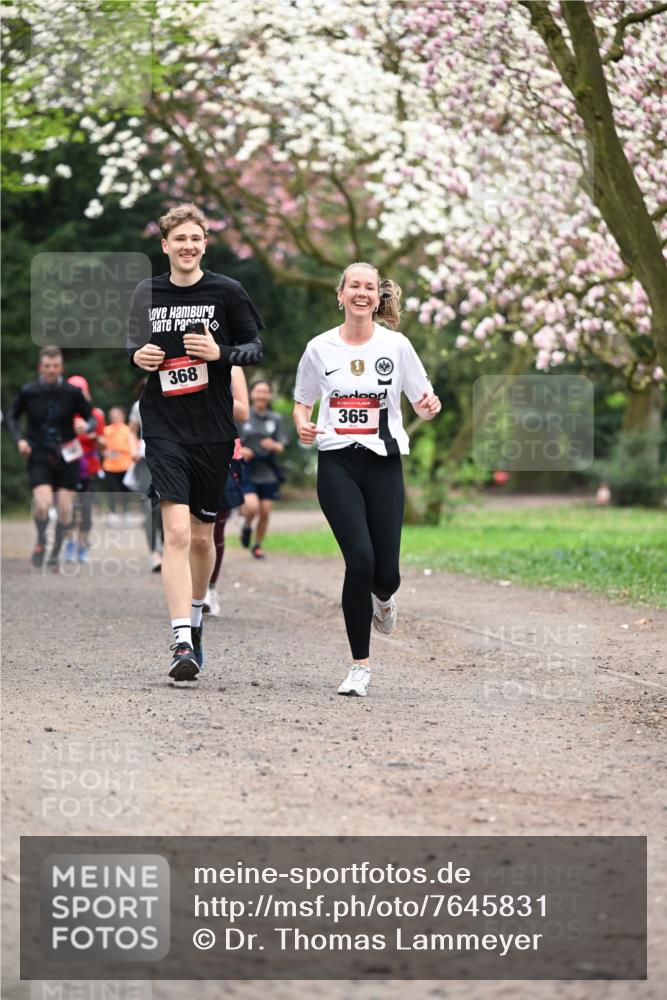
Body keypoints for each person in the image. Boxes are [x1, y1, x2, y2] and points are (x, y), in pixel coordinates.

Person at [127, 202, 263, 685]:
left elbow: (255, 348)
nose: (187, 246)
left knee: (204, 538)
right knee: (177, 536)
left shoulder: (227, 292)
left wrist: (220, 353)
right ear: (164, 246)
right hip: (163, 426)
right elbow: (133, 346)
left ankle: (198, 616)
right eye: (178, 239)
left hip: (213, 430)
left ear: (205, 243)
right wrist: (138, 355)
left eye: (195, 238)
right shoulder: (148, 292)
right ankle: (180, 637)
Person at [293, 262, 441, 697]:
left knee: (386, 573)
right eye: (354, 286)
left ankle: (386, 598)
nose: (361, 293)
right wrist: (303, 424)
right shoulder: (318, 348)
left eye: (369, 287)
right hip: (337, 462)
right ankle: (360, 666)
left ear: (378, 298)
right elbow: (302, 403)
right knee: (359, 561)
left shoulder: (396, 346)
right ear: (340, 295)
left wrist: (430, 405)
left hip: (383, 464)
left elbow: (422, 400)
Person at [7, 346, 94, 571]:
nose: (51, 370)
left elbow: (90, 417)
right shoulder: (29, 391)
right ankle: (41, 540)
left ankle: (56, 552)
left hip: (68, 456)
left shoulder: (72, 392)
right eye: (47, 366)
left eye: (55, 366)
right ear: (40, 367)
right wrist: (20, 440)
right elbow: (12, 416)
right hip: (39, 454)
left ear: (61, 367)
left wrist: (86, 426)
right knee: (43, 504)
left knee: (66, 510)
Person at [204, 367, 250, 616]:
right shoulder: (182, 358)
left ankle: (210, 588)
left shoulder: (232, 368)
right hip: (187, 449)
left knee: (215, 528)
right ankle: (189, 590)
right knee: (187, 528)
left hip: (225, 453)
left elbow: (243, 411)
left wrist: (210, 390)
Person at [238, 379, 288, 559]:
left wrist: (273, 445)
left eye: (265, 392)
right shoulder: (243, 416)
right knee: (251, 507)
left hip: (267, 470)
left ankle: (257, 545)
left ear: (269, 395)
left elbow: (282, 446)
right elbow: (232, 442)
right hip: (247, 469)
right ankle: (246, 526)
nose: (262, 395)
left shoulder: (275, 419)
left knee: (265, 510)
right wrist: (242, 450)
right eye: (258, 391)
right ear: (251, 394)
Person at [63, 375, 106, 564]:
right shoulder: (62, 414)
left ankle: (82, 548)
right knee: (69, 510)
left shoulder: (96, 415)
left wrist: (92, 435)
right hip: (67, 468)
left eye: (81, 391)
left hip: (89, 469)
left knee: (86, 512)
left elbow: (104, 445)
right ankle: (69, 546)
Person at [128, 384, 164, 572]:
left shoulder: (173, 400)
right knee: (151, 507)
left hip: (169, 459)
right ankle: (154, 553)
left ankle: (168, 547)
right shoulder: (138, 405)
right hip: (145, 460)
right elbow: (131, 430)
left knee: (169, 505)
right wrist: (134, 449)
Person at [101, 406, 134, 524]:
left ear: (122, 416)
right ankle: (113, 514)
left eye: (117, 414)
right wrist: (104, 451)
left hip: (126, 465)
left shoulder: (128, 430)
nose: (114, 417)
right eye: (112, 414)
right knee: (112, 491)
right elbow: (101, 447)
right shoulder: (106, 430)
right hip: (109, 466)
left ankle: (126, 513)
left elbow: (133, 446)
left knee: (126, 491)